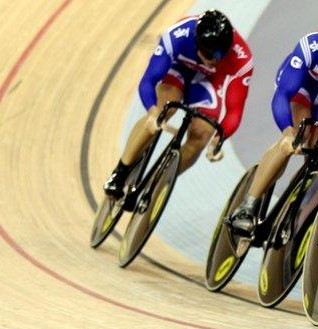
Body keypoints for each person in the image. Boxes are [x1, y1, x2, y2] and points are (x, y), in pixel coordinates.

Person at [229, 17, 318, 235]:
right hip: (303, 86)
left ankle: (292, 206)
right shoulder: (313, 46)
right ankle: (247, 206)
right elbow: (283, 95)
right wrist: (287, 132)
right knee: (299, 135)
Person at [104, 9, 254, 198]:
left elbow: (234, 110)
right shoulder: (177, 35)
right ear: (197, 43)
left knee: (202, 134)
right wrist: (151, 111)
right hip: (179, 70)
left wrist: (218, 139)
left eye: (220, 54)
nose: (215, 59)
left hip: (209, 82)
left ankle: (157, 186)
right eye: (210, 54)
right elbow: (148, 81)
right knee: (161, 112)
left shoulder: (241, 58)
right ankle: (121, 172)